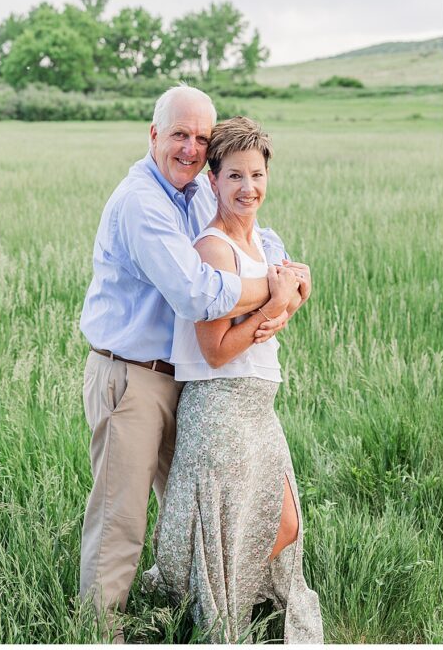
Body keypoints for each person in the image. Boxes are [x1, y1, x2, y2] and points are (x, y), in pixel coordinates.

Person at [78, 85, 286, 642]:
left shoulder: (192, 191)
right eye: (179, 134)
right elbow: (196, 295)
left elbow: (255, 235)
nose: (191, 148)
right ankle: (102, 631)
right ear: (153, 135)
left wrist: (289, 273)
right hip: (132, 375)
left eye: (200, 138)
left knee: (190, 515)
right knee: (122, 516)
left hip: (188, 383)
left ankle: (191, 618)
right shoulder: (141, 202)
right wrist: (274, 290)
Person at [150, 116, 323, 643]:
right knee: (233, 528)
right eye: (235, 177)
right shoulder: (213, 249)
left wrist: (292, 298)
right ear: (213, 181)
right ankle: (200, 602)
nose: (249, 188)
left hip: (259, 406)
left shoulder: (267, 242)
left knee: (283, 522)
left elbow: (287, 301)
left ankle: (226, 594)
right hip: (220, 403)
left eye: (257, 175)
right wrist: (275, 301)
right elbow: (216, 349)